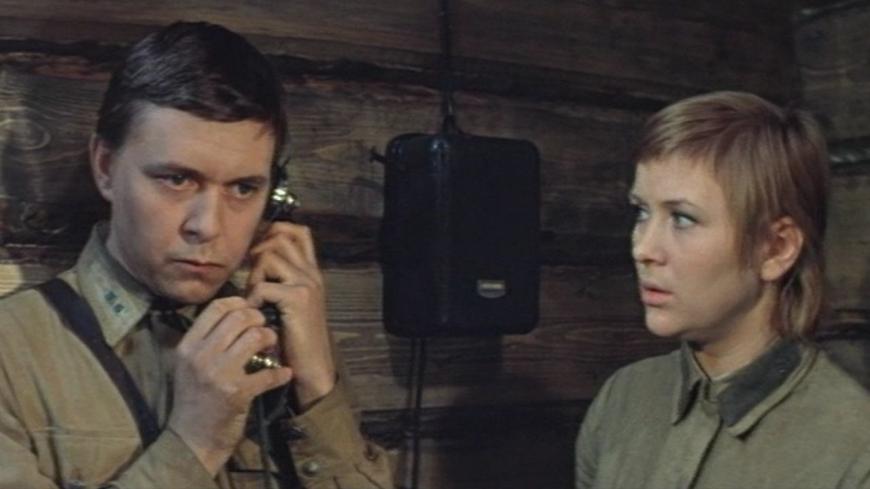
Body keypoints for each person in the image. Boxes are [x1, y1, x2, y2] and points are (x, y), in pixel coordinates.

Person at [0, 21, 393, 489]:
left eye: (243, 188)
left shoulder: (284, 336)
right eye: (177, 179)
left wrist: (318, 391)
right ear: (106, 167)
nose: (208, 226)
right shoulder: (12, 353)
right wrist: (196, 444)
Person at [575, 91, 870, 489]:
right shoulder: (623, 399)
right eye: (642, 212)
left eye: (682, 218)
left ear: (776, 248)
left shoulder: (854, 450)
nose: (643, 248)